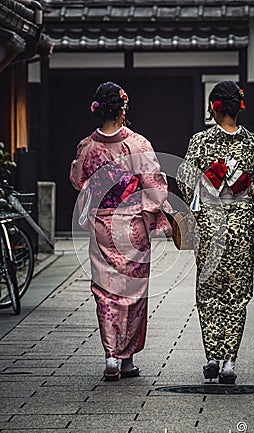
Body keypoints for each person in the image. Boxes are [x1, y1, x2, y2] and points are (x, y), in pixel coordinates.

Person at [70, 81, 171, 381]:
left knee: (106, 292)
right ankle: (127, 359)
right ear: (123, 109)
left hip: (103, 224)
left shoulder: (87, 147)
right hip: (132, 226)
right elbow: (154, 185)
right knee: (134, 293)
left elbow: (78, 180)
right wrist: (153, 214)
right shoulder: (138, 145)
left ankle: (110, 356)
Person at [177, 81, 254, 383]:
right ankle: (230, 361)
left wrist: (207, 188)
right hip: (242, 224)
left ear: (213, 108)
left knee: (208, 292)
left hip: (210, 223)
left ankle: (213, 357)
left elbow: (183, 179)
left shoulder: (200, 141)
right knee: (237, 293)